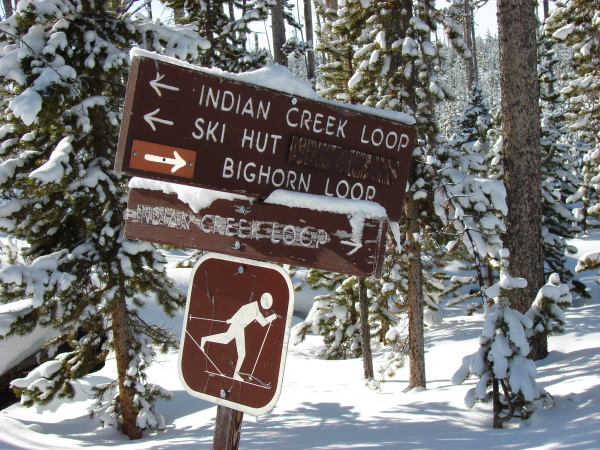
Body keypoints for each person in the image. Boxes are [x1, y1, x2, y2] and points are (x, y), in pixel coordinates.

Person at [200, 292, 277, 380]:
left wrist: (272, 317)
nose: (265, 305)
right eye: (266, 302)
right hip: (237, 326)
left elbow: (263, 322)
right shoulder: (252, 306)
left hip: (240, 327)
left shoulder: (256, 310)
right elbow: (241, 311)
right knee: (235, 347)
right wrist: (232, 319)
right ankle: (205, 339)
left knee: (230, 343)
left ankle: (205, 339)